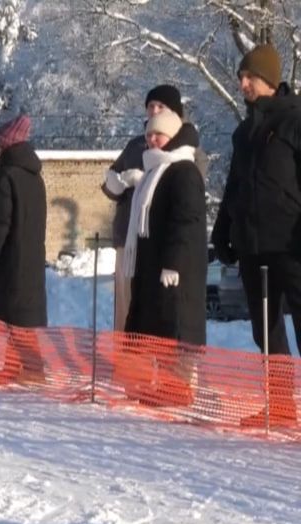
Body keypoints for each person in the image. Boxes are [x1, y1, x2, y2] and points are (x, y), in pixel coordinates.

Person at [212, 43, 301, 427]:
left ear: (267, 79)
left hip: (291, 245)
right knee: (265, 329)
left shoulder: (295, 121)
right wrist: (223, 231)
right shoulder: (243, 132)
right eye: (240, 78)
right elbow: (234, 186)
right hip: (252, 246)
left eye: (248, 77)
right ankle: (280, 405)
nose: (242, 83)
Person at [118, 110, 207, 405]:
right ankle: (155, 387)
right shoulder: (154, 172)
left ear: (173, 136)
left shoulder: (183, 171)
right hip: (152, 270)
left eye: (158, 134)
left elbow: (186, 220)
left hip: (175, 274)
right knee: (154, 329)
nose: (152, 140)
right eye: (148, 136)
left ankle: (177, 389)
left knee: (174, 330)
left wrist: (174, 263)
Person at [103, 85, 208, 332]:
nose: (154, 111)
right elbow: (110, 182)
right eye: (150, 106)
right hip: (130, 241)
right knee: (130, 309)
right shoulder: (136, 146)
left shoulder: (185, 157)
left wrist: (174, 259)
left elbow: (187, 208)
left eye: (161, 107)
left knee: (166, 320)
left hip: (162, 244)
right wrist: (121, 181)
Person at [0, 113, 48, 383]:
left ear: (6, 144)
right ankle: (13, 367)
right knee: (20, 314)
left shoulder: (5, 176)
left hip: (11, 257)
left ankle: (34, 369)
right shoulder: (35, 177)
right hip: (32, 256)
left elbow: (1, 222)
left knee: (15, 316)